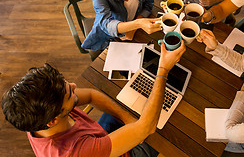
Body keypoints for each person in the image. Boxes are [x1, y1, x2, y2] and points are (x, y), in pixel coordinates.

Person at [1, 42, 186, 157]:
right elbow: (147, 127)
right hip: (119, 152)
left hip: (98, 137)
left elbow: (91, 95)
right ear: (53, 120)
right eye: (68, 93)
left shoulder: (38, 114)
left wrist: (128, 120)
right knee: (169, 131)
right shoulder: (75, 152)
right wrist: (162, 71)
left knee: (134, 112)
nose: (74, 86)